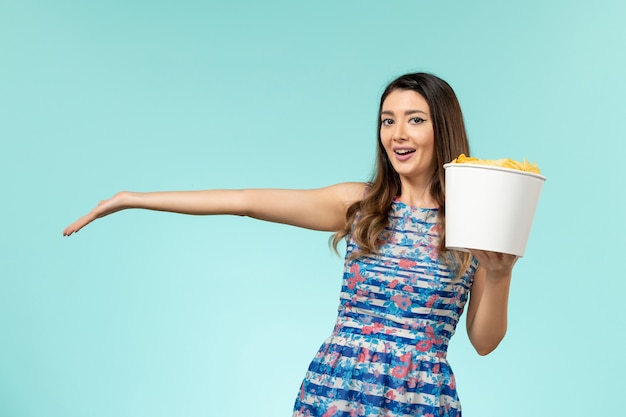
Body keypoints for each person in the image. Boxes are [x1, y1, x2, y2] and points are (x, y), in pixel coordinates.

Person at [63, 73, 517, 417]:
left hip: (422, 397)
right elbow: (244, 202)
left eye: (414, 120)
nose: (398, 134)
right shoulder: (358, 205)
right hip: (337, 387)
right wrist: (130, 199)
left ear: (443, 127)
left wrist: (500, 273)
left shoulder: (475, 219)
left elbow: (483, 341)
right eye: (388, 120)